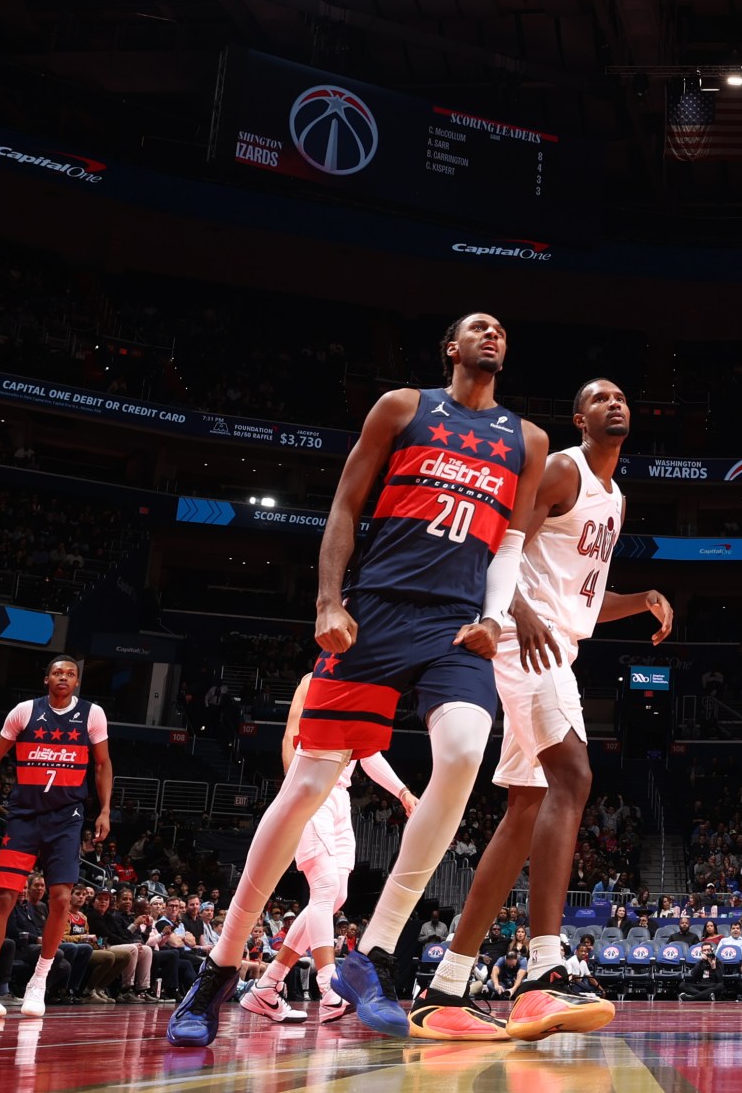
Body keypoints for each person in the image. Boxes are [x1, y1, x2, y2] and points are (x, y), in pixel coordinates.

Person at [167, 312, 550, 1047]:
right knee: (307, 785)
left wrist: (496, 618)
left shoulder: (526, 439)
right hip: (374, 612)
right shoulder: (404, 407)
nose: (493, 333)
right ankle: (216, 972)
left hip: (456, 623)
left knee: (468, 750)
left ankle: (371, 953)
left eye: (501, 327)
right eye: (478, 325)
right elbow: (344, 505)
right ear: (451, 345)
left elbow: (511, 543)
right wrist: (327, 600)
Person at [411, 378, 668, 1043]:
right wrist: (514, 610)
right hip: (527, 641)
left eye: (622, 394)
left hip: (561, 644)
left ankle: (446, 987)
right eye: (601, 396)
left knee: (527, 807)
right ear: (580, 416)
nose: (616, 401)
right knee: (573, 777)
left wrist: (639, 598)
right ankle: (542, 969)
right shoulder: (562, 468)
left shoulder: (614, 496)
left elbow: (579, 592)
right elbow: (501, 538)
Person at [0, 652, 112, 1019]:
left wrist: (105, 810)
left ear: (76, 682)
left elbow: (103, 764)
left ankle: (39, 981)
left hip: (67, 818)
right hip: (25, 817)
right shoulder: (25, 711)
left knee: (61, 899)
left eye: (70, 674)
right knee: (4, 898)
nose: (63, 677)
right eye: (57, 672)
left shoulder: (92, 714)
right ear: (47, 679)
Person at [237, 672, 414, 1026]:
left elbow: (369, 755)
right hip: (311, 791)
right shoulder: (313, 679)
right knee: (323, 888)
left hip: (339, 799)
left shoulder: (367, 688)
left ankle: (267, 985)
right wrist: (296, 793)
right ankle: (328, 988)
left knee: (335, 897)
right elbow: (291, 734)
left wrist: (403, 793)